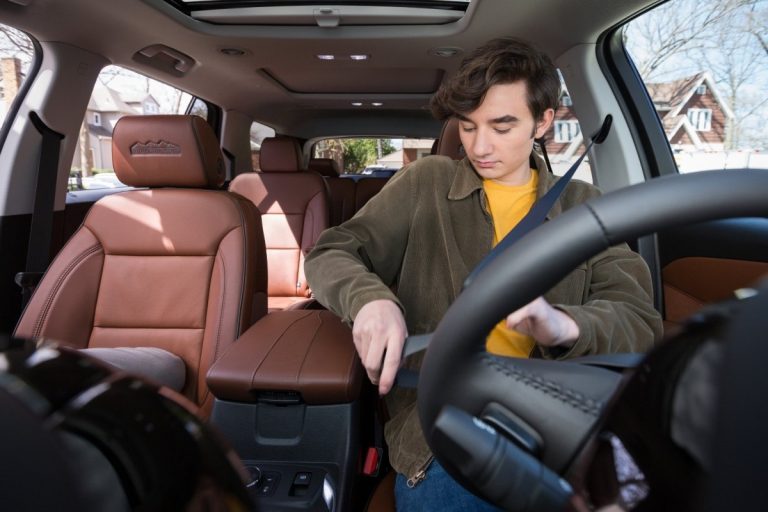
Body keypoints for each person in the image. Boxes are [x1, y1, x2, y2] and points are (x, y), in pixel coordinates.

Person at [305, 37, 663, 511]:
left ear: (543, 122)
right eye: (468, 125)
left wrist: (563, 326)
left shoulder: (584, 205)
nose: (479, 146)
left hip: (562, 422)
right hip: (446, 428)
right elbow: (330, 251)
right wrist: (370, 300)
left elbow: (640, 321)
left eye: (502, 126)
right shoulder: (425, 183)